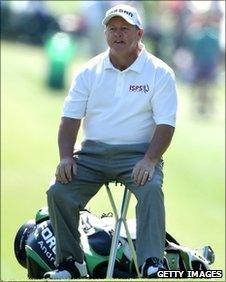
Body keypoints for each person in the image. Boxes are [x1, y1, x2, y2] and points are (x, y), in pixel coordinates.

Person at [44, 4, 177, 279]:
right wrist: (66, 157)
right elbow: (69, 119)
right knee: (58, 191)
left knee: (151, 188)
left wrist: (150, 159)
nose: (118, 34)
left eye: (124, 29)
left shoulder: (159, 72)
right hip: (92, 154)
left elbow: (166, 124)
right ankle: (72, 263)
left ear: (139, 33)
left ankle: (152, 262)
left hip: (138, 155)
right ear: (105, 33)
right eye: (112, 29)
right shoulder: (89, 71)